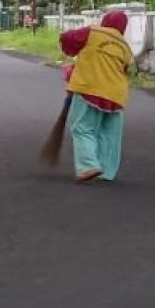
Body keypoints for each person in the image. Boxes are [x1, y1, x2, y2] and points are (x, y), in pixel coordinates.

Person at [58, 10, 133, 183]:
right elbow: (129, 70)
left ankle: (88, 166)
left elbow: (67, 39)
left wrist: (76, 60)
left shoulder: (93, 32)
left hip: (89, 89)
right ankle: (106, 172)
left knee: (82, 128)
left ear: (104, 21)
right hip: (117, 95)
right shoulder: (125, 46)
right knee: (110, 134)